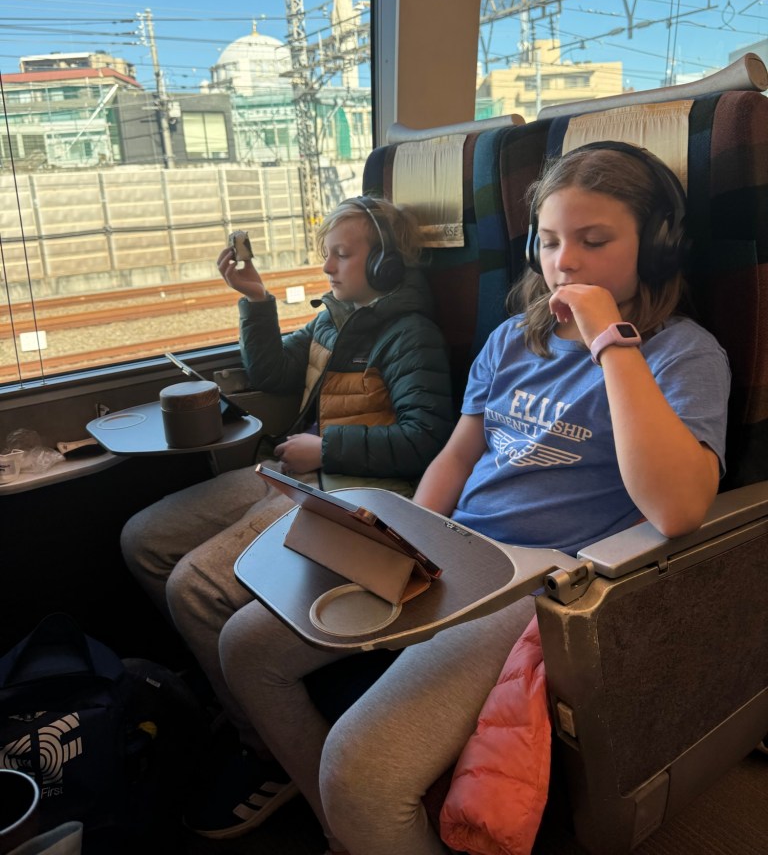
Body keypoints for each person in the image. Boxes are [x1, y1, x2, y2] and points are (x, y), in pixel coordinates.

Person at [217, 141, 731, 855]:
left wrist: (612, 343)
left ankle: (358, 817)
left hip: (536, 582)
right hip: (455, 549)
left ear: (658, 247)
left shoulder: (683, 354)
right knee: (244, 646)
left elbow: (677, 508)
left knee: (360, 771)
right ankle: (348, 833)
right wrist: (408, 537)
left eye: (594, 241)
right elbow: (460, 454)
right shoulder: (513, 340)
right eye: (549, 241)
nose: (565, 263)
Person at [119, 195, 455, 840]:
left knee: (195, 586)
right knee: (145, 540)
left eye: (342, 255)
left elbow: (426, 438)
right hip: (292, 470)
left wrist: (326, 448)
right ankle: (234, 697)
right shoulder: (334, 320)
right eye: (327, 253)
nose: (327, 266)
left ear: (384, 264)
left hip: (345, 486)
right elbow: (270, 370)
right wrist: (255, 298)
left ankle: (265, 747)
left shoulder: (410, 335)